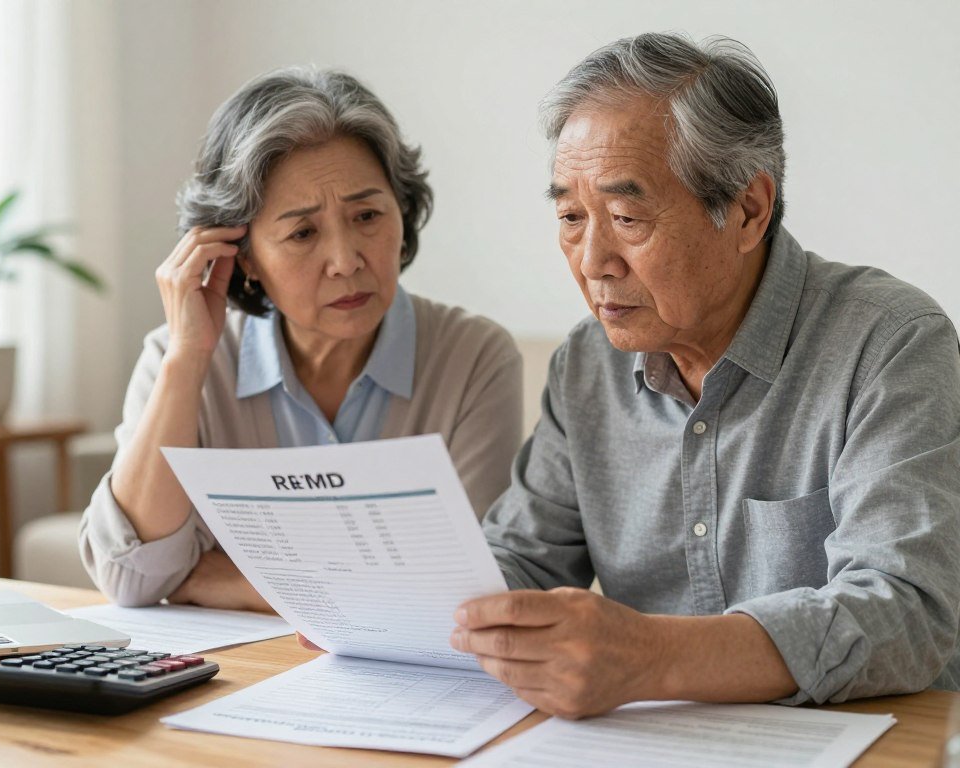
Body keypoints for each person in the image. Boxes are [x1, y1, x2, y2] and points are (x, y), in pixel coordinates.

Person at [449, 33, 960, 718]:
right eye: (571, 217)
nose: (593, 259)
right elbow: (525, 561)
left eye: (627, 217)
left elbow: (908, 612)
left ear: (749, 210)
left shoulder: (889, 344)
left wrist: (653, 658)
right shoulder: (587, 364)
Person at [79, 68, 522, 610]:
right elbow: (132, 577)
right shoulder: (180, 358)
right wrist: (187, 360)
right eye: (303, 233)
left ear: (402, 213)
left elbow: (465, 595)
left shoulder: (476, 358)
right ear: (241, 256)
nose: (345, 260)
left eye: (367, 215)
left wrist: (200, 577)